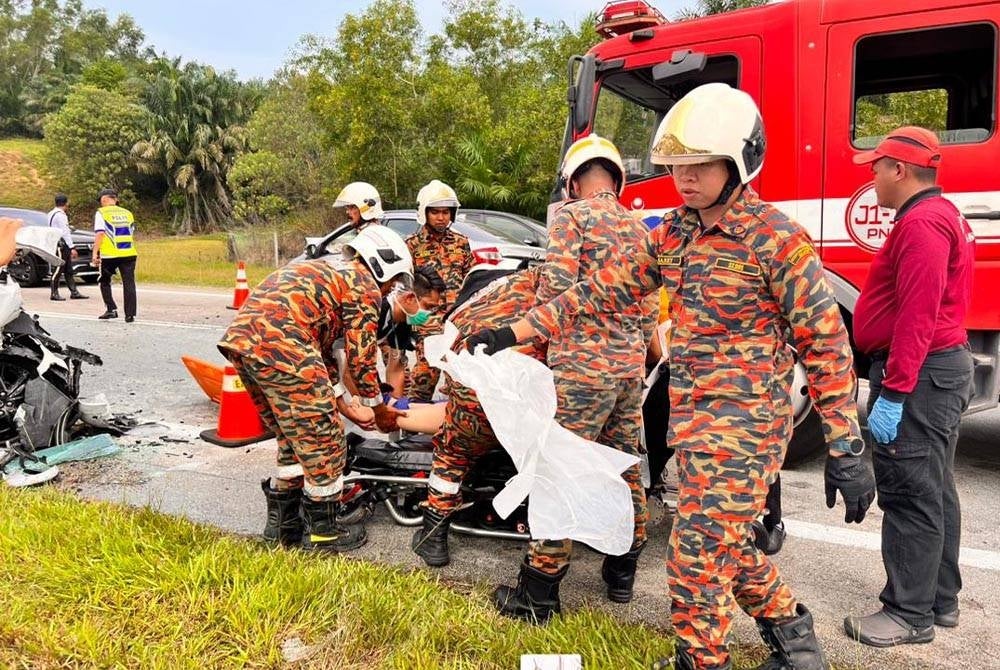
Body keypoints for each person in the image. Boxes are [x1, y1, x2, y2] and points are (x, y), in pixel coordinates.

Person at [468, 83, 876, 670]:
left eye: (700, 166)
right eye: (676, 166)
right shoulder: (673, 234)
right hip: (693, 421)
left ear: (739, 161)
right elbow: (598, 291)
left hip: (747, 426)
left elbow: (827, 342)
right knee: (723, 542)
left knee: (694, 556)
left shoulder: (776, 239)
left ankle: (699, 660)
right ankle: (796, 642)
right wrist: (514, 332)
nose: (684, 179)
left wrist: (845, 440)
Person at [490, 134, 655, 622]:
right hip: (628, 370)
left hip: (581, 370)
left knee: (558, 472)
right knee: (624, 466)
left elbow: (557, 292)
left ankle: (538, 593)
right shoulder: (639, 226)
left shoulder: (572, 218)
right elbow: (647, 306)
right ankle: (622, 570)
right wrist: (640, 360)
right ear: (616, 178)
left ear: (575, 181)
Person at [844, 126, 975, 647]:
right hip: (938, 370)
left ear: (899, 170)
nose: (873, 177)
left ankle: (907, 613)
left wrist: (895, 392)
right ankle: (939, 600)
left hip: (920, 375)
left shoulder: (922, 224)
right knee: (936, 487)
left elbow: (918, 314)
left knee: (910, 492)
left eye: (877, 167)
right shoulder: (939, 217)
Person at [218, 226, 413, 554]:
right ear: (382, 264)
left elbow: (322, 357)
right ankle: (323, 537)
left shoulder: (329, 271)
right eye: (393, 281)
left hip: (244, 344)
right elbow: (362, 357)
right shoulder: (363, 284)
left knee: (294, 441)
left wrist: (348, 406)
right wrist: (379, 410)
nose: (390, 289)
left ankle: (282, 532)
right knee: (326, 442)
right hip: (284, 344)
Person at [411, 266, 548, 568]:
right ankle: (546, 550)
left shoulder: (463, 311)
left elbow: (430, 368)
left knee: (452, 454)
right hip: (536, 405)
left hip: (477, 403)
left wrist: (416, 400)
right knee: (547, 463)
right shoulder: (551, 296)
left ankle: (433, 537)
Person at [405, 180, 475, 401]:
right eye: (435, 212)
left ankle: (453, 421)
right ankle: (412, 422)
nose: (441, 217)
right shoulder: (412, 246)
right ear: (424, 213)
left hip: (456, 319)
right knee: (425, 374)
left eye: (446, 212)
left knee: (459, 376)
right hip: (427, 320)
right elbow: (404, 286)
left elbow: (470, 278)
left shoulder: (461, 243)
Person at [93, 188, 137, 322]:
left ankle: (111, 309)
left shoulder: (101, 213)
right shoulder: (128, 213)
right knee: (129, 283)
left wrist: (95, 253)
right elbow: (131, 231)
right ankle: (130, 315)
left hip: (110, 255)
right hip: (129, 253)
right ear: (116, 199)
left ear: (104, 199)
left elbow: (100, 233)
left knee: (104, 280)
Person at [47, 194, 87, 301]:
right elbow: (65, 232)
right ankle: (54, 293)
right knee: (59, 268)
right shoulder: (61, 215)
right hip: (61, 244)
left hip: (55, 242)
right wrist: (72, 247)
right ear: (66, 203)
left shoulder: (51, 213)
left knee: (68, 269)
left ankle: (74, 291)